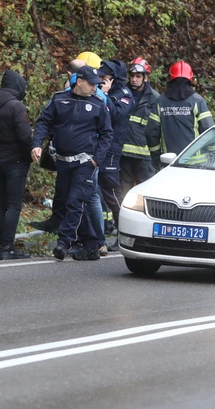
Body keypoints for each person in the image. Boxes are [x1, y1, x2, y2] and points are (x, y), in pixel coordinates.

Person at [31, 65, 113, 261]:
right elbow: (44, 122)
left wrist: (96, 160)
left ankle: (64, 242)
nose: (95, 88)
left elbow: (107, 134)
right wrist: (36, 145)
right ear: (80, 81)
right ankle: (91, 244)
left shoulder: (98, 104)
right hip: (63, 161)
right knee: (71, 202)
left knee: (75, 201)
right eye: (92, 84)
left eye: (97, 84)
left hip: (85, 162)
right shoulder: (60, 99)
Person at [0, 70, 34, 260]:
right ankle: (7, 248)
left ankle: (3, 246)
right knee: (14, 205)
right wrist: (29, 156)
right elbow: (25, 136)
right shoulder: (17, 106)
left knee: (1, 204)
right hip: (16, 161)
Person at [146, 61, 215, 169]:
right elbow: (208, 129)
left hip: (169, 162)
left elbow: (151, 133)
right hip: (196, 164)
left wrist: (156, 157)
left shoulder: (160, 102)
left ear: (170, 78)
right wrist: (214, 154)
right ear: (190, 79)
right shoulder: (197, 101)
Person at [96, 58, 133, 237]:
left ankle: (125, 228)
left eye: (105, 76)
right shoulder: (102, 91)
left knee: (111, 189)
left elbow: (117, 114)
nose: (101, 79)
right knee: (97, 189)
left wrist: (105, 95)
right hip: (99, 145)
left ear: (113, 78)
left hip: (112, 148)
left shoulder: (125, 94)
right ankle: (103, 227)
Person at [120, 58, 159, 197]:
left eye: (138, 76)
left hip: (145, 156)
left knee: (146, 192)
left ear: (145, 78)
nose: (134, 80)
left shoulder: (155, 99)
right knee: (123, 191)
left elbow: (157, 128)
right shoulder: (121, 94)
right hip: (123, 154)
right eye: (132, 76)